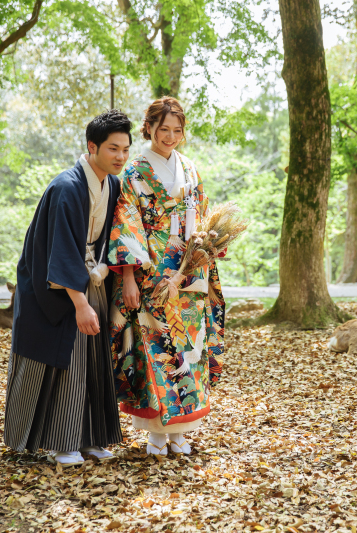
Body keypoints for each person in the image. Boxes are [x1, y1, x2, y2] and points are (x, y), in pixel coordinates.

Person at [4, 110, 131, 466]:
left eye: (124, 149)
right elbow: (59, 248)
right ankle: (62, 443)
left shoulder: (112, 184)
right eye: (112, 149)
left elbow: (111, 237)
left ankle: (89, 437)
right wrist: (80, 303)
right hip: (54, 286)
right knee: (65, 359)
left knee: (92, 359)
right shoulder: (66, 187)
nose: (120, 156)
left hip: (89, 277)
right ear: (92, 147)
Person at [107, 96, 225, 455]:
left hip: (189, 272)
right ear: (149, 128)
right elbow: (126, 221)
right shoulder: (136, 170)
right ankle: (156, 433)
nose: (170, 136)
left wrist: (206, 245)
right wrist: (128, 276)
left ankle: (181, 432)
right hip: (151, 269)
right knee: (155, 348)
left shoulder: (190, 168)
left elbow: (203, 219)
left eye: (177, 130)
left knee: (190, 347)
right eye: (163, 129)